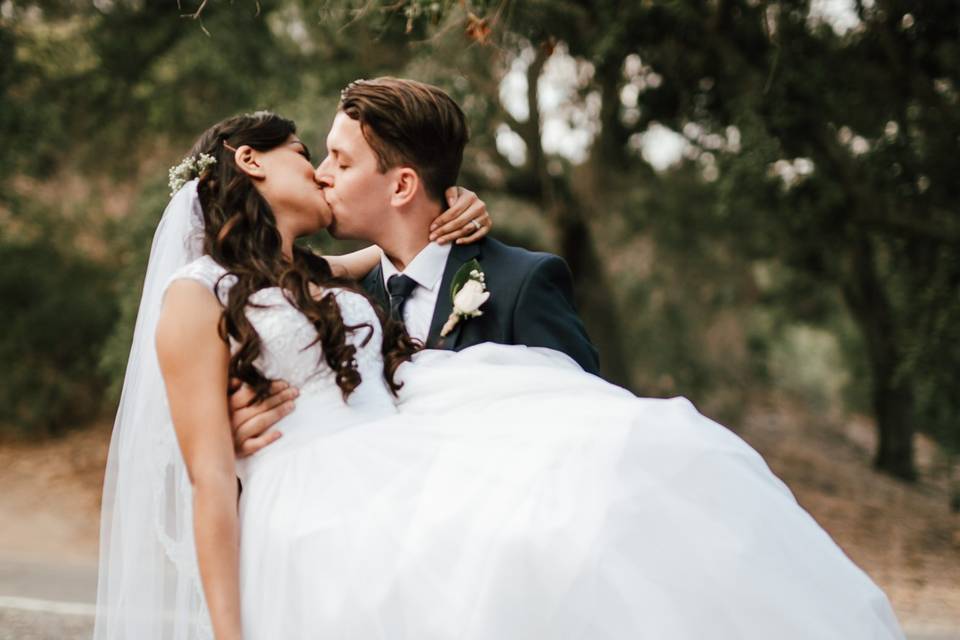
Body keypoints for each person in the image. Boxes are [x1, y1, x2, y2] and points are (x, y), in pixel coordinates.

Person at [95, 103, 906, 639]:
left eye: (334, 159)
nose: (319, 171)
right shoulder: (195, 296)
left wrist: (457, 209)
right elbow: (206, 479)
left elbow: (402, 243)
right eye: (310, 155)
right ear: (250, 159)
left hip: (401, 464)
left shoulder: (315, 275)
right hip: (314, 514)